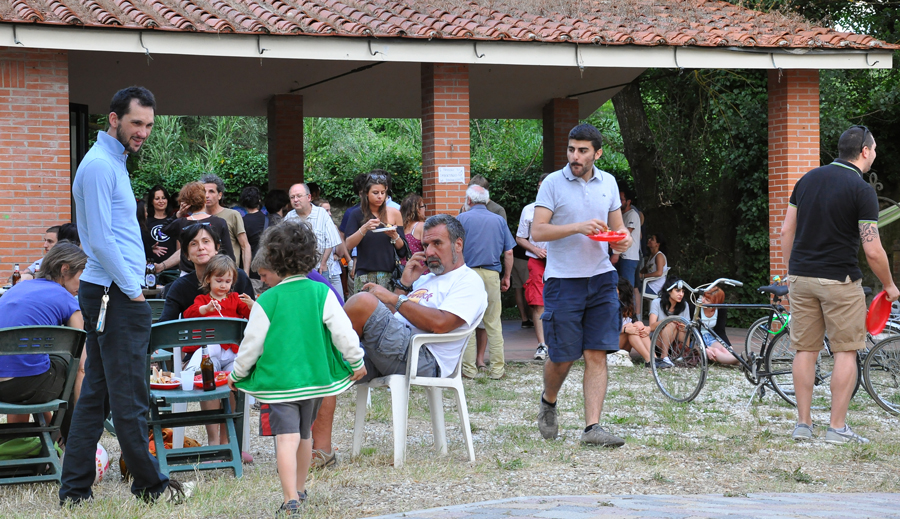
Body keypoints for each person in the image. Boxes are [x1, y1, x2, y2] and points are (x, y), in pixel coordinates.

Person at [61, 86, 187, 505]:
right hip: (114, 294)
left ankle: (74, 490)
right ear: (114, 119)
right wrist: (133, 291)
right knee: (131, 393)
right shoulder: (100, 165)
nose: (143, 132)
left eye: (149, 125)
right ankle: (151, 484)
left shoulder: (112, 162)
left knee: (96, 394)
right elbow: (99, 240)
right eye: (136, 123)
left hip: (110, 292)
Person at [227, 221, 366, 517]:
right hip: (315, 379)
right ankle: (300, 490)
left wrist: (237, 374)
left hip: (280, 383)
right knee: (305, 436)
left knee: (285, 439)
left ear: (272, 258)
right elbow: (343, 332)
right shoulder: (321, 292)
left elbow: (252, 343)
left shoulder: (267, 299)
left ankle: (290, 499)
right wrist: (356, 361)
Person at [781, 125, 900, 444]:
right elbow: (872, 249)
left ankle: (803, 425)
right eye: (874, 149)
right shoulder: (862, 190)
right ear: (864, 151)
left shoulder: (806, 180)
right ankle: (836, 428)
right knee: (846, 351)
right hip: (840, 280)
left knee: (805, 350)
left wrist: (790, 274)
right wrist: (889, 285)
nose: (875, 154)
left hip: (801, 278)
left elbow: (786, 231)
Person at [530, 123, 632, 447]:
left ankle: (592, 428)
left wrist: (623, 241)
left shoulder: (609, 183)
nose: (575, 156)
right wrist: (577, 227)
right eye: (572, 149)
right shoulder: (552, 183)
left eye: (583, 150)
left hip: (601, 277)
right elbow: (538, 231)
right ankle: (548, 401)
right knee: (562, 356)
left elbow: (618, 229)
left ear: (597, 153)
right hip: (562, 280)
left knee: (596, 353)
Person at [342, 214, 487, 384]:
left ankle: (327, 352)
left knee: (362, 302)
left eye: (437, 243)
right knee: (329, 370)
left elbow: (440, 324)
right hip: (393, 350)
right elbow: (391, 317)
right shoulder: (425, 279)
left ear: (458, 245)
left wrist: (394, 298)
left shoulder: (468, 280)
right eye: (425, 245)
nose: (429, 252)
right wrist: (404, 284)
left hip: (425, 359)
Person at [249, 229, 344, 470]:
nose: (263, 282)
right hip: (308, 344)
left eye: (265, 276)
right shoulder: (283, 288)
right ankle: (298, 454)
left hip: (324, 341)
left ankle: (321, 450)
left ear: (278, 266)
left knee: (319, 383)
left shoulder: (310, 285)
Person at [0, 242, 86, 443]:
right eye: (82, 275)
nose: (83, 284)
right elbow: (82, 367)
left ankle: (25, 442)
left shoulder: (18, 287)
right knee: (71, 365)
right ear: (65, 269)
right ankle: (71, 442)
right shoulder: (67, 299)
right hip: (25, 386)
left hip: (7, 383)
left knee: (36, 361)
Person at [182, 254, 253, 447]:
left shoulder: (235, 299)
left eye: (228, 282)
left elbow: (252, 318)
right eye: (218, 280)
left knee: (233, 384)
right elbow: (188, 315)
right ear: (208, 280)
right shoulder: (202, 299)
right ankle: (213, 438)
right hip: (210, 353)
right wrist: (205, 310)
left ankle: (226, 439)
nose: (223, 285)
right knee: (209, 383)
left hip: (231, 352)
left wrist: (253, 306)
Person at [457, 185, 515, 380]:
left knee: (468, 322)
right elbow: (508, 252)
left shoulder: (461, 219)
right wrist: (506, 277)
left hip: (468, 274)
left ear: (469, 200)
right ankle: (497, 369)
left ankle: (469, 369)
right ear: (487, 200)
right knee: (493, 322)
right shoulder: (499, 220)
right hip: (491, 273)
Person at [158, 223, 255, 323]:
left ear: (217, 248)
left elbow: (254, 316)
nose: (201, 247)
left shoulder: (239, 277)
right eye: (193, 244)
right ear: (187, 255)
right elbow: (165, 323)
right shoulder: (180, 286)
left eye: (206, 241)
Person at [343, 172, 409, 292]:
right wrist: (364, 228)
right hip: (364, 274)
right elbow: (348, 244)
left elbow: (403, 250)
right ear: (366, 193)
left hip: (388, 274)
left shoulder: (394, 213)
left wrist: (395, 236)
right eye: (375, 193)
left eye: (383, 193)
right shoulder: (356, 214)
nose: (380, 196)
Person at [162, 182, 235, 274]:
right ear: (204, 199)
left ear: (185, 203)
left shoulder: (180, 223)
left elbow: (164, 229)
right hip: (214, 273)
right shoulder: (220, 222)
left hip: (187, 274)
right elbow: (228, 253)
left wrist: (178, 214)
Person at [516, 173, 551, 360]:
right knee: (538, 303)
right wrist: (535, 249)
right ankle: (542, 345)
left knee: (562, 301)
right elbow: (520, 238)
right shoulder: (529, 209)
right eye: (541, 186)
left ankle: (559, 344)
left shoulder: (562, 208)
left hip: (559, 262)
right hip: (536, 261)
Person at [284, 183, 341, 285]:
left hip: (320, 269)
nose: (295, 200)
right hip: (298, 272)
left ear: (309, 197)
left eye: (299, 196)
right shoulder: (289, 217)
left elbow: (331, 240)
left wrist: (323, 263)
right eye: (292, 197)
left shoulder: (322, 213)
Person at [201, 174, 252, 273]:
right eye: (204, 192)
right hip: (205, 273)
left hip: (229, 272)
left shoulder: (232, 215)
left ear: (219, 195)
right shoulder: (198, 217)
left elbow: (245, 246)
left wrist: (245, 274)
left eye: (211, 191)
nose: (207, 195)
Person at [648, 277, 692, 369]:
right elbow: (651, 327)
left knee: (686, 328)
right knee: (671, 324)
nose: (681, 294)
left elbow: (688, 327)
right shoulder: (657, 302)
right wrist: (669, 320)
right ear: (668, 291)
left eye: (683, 291)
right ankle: (664, 357)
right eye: (677, 291)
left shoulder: (684, 305)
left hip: (676, 344)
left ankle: (683, 355)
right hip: (659, 343)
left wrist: (683, 327)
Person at [315, 198, 351, 299]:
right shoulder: (315, 228)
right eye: (326, 211)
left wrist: (336, 232)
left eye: (329, 210)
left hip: (334, 271)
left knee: (340, 301)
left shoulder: (333, 227)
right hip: (320, 270)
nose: (330, 214)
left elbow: (340, 252)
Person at [144, 185, 180, 286]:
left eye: (163, 198)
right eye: (157, 198)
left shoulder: (174, 220)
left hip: (172, 271)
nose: (161, 201)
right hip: (150, 270)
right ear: (151, 201)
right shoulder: (145, 222)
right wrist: (150, 249)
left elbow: (180, 248)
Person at [613, 189, 641, 314]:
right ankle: (627, 315)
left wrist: (616, 254)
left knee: (627, 288)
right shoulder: (621, 215)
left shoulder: (632, 214)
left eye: (621, 199)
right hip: (624, 256)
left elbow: (625, 235)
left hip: (629, 257)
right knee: (627, 287)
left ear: (629, 201)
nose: (619, 202)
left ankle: (630, 317)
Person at [698, 286, 737, 365]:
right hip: (697, 338)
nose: (702, 300)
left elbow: (720, 331)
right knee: (715, 352)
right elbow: (694, 331)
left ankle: (741, 361)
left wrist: (729, 346)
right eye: (703, 297)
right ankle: (742, 360)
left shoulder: (721, 309)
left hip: (711, 337)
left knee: (724, 349)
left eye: (707, 300)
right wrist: (705, 348)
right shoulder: (696, 308)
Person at [616, 278, 651, 366]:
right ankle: (649, 359)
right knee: (631, 328)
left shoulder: (628, 308)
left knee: (638, 324)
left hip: (624, 346)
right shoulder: (607, 307)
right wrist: (625, 329)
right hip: (610, 347)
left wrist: (645, 328)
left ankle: (654, 358)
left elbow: (636, 325)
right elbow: (604, 332)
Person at [240, 186, 267, 281]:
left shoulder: (242, 221)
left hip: (248, 266)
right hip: (265, 266)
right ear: (259, 200)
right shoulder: (268, 220)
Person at [400, 193, 427, 265]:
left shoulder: (400, 227)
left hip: (403, 268)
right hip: (419, 267)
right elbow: (427, 249)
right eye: (423, 206)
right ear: (418, 210)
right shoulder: (422, 226)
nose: (424, 209)